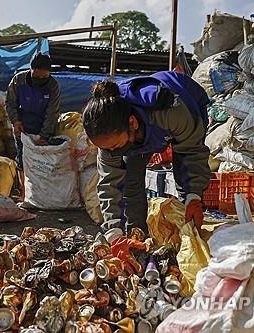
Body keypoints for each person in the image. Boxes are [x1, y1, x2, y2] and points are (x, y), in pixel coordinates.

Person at [82, 71, 211, 235]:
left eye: (115, 146)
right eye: (106, 148)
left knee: (187, 179)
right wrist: (114, 230)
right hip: (138, 131)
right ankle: (136, 236)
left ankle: (189, 228)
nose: (111, 152)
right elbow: (110, 183)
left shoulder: (170, 111)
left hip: (187, 104)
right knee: (130, 180)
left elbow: (191, 151)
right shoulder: (108, 135)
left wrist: (193, 196)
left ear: (132, 123)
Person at [5, 53, 61, 198]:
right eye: (36, 77)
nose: (40, 80)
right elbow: (10, 103)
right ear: (30, 69)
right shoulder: (18, 80)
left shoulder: (53, 85)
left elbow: (53, 112)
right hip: (22, 127)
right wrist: (16, 122)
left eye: (44, 77)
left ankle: (42, 195)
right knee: (22, 160)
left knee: (43, 164)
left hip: (44, 128)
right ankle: (24, 195)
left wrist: (44, 136)